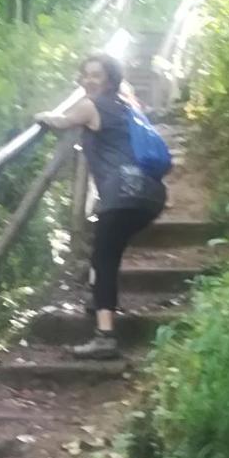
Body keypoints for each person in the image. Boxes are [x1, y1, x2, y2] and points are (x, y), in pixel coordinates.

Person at [36, 53, 167, 360]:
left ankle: (105, 336)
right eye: (85, 74)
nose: (88, 80)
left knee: (103, 259)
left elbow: (60, 121)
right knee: (109, 251)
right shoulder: (128, 106)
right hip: (150, 194)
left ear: (109, 79)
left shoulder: (90, 105)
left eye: (96, 74)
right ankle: (98, 303)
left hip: (121, 192)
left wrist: (41, 117)